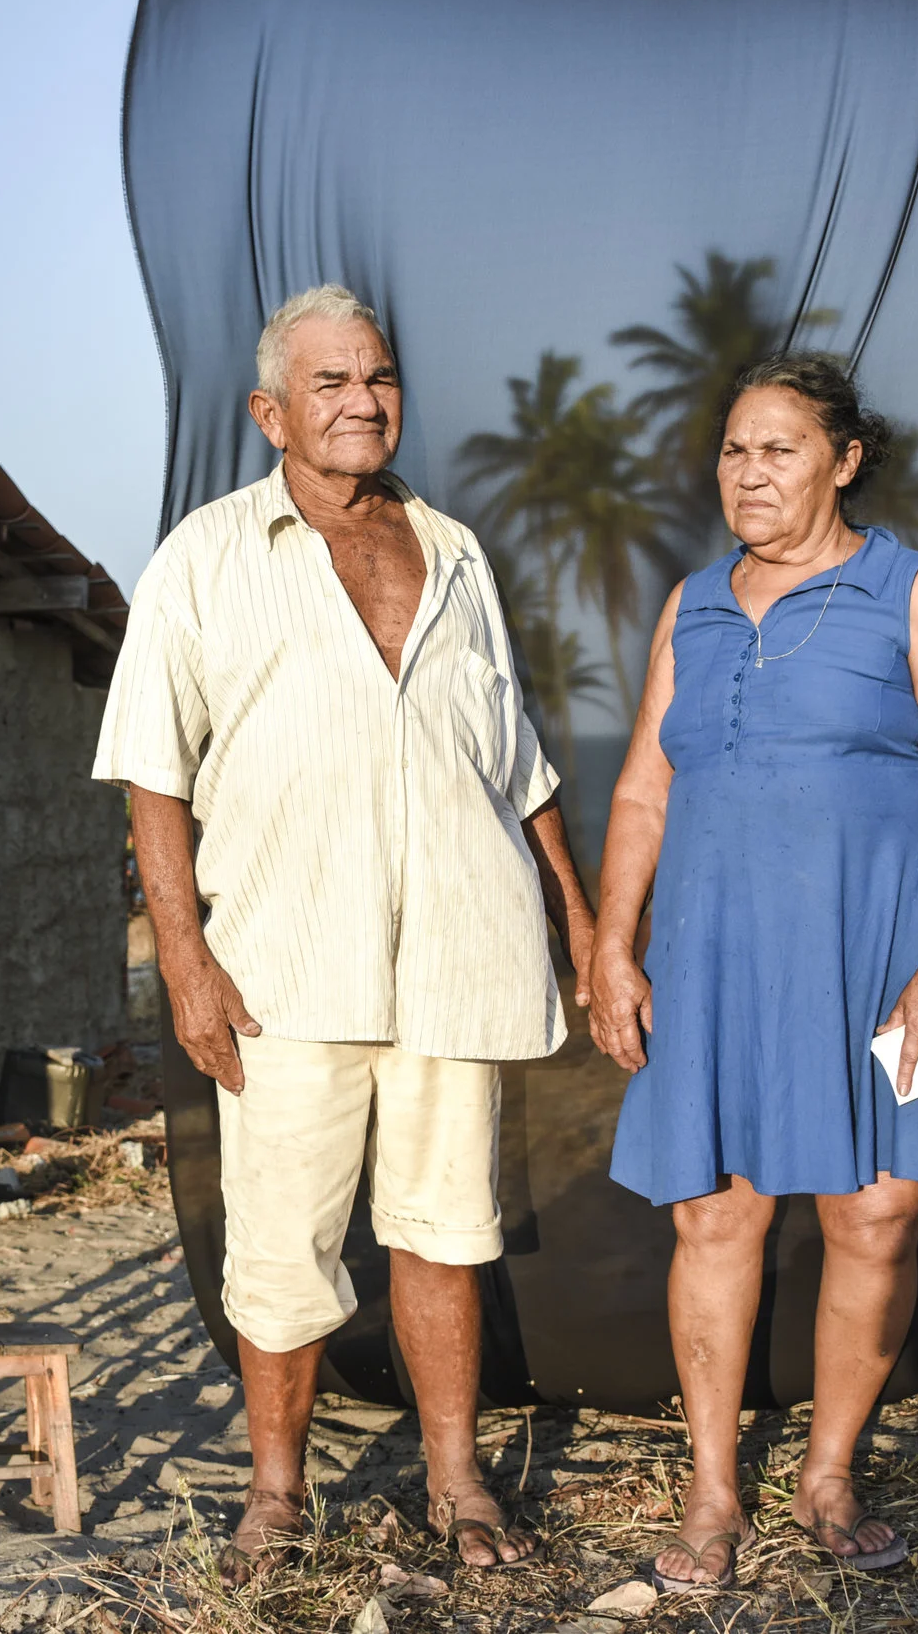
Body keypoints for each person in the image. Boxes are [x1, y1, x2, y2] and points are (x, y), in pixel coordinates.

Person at [93, 285, 594, 1578]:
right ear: (270, 411)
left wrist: (581, 929)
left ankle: (457, 1481)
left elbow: (520, 767)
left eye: (377, 376)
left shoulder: (456, 553)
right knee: (280, 1242)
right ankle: (276, 1496)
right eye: (331, 382)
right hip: (286, 967)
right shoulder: (203, 560)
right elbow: (153, 773)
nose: (363, 399)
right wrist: (185, 959)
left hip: (456, 958)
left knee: (445, 1230)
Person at [586, 353, 918, 1587]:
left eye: (777, 448)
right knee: (715, 1213)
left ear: (843, 458)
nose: (748, 471)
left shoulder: (909, 590)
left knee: (875, 1214)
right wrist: (614, 941)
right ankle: (714, 1494)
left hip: (878, 949)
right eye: (732, 449)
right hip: (715, 956)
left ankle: (827, 1472)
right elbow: (643, 786)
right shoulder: (694, 605)